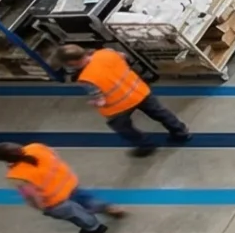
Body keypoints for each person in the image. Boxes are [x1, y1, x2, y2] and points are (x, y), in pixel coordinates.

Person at [59, 44, 189, 156]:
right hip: (138, 91)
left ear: (72, 63)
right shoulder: (107, 52)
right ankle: (181, 133)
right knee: (160, 113)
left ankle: (146, 146)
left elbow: (101, 100)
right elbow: (123, 56)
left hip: (119, 106)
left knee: (122, 127)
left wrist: (94, 103)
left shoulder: (86, 79)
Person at [0, 141, 124, 233]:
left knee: (76, 214)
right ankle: (109, 208)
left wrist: (41, 207)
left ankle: (94, 228)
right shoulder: (35, 147)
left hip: (55, 200)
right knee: (87, 200)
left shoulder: (16, 175)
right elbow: (54, 153)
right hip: (69, 183)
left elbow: (31, 195)